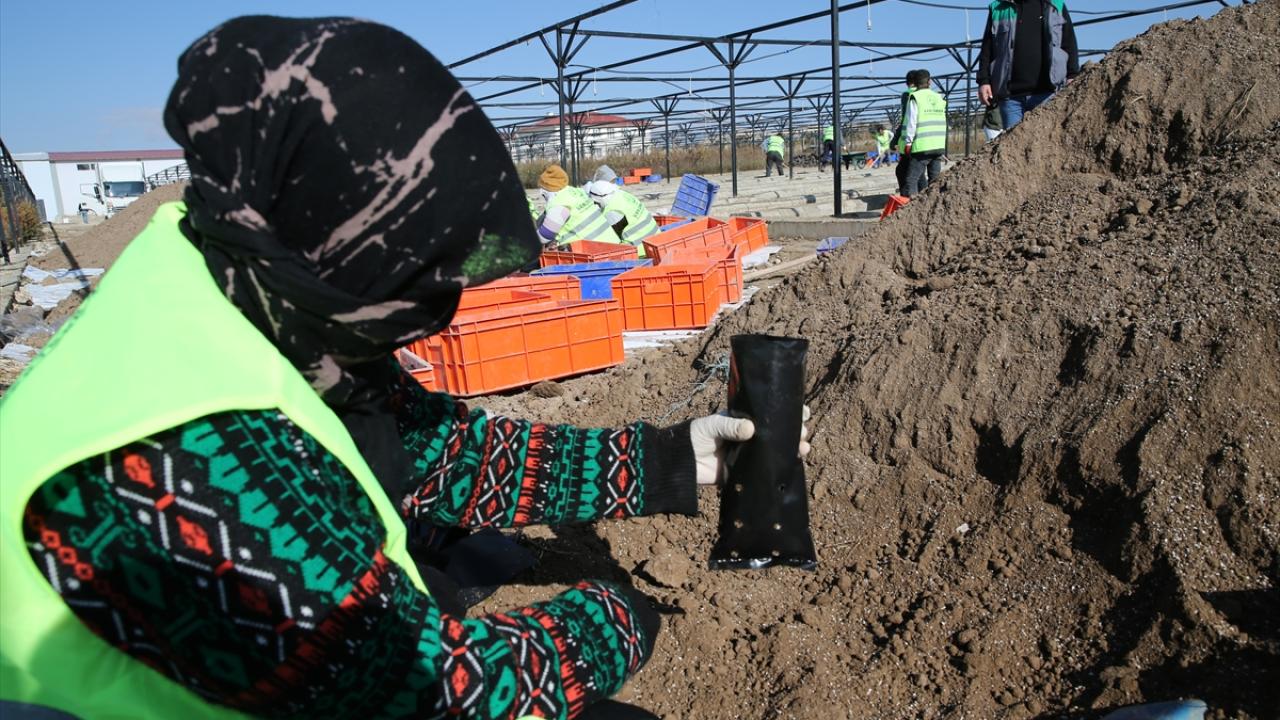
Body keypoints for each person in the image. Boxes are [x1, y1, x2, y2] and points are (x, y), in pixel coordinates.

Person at [0, 16, 811, 720]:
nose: (438, 302)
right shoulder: (186, 457)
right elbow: (442, 694)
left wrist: (671, 459)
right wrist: (615, 619)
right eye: (415, 270)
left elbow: (441, 452)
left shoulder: (256, 281)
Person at [976, 0, 1079, 130]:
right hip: (1010, 98)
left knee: (1043, 139)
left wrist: (1072, 75)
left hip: (1047, 93)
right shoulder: (999, 8)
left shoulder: (1055, 5)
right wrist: (984, 81)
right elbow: (987, 48)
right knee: (1013, 141)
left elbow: (1069, 42)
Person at [537, 163, 622, 246]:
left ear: (545, 190)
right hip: (613, 245)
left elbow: (544, 236)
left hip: (591, 251)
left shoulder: (559, 203)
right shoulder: (578, 192)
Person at [897, 69, 948, 198]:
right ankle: (934, 204)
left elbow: (911, 122)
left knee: (911, 180)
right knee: (935, 181)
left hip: (922, 147)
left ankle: (912, 208)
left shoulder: (915, 97)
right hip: (938, 145)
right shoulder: (938, 97)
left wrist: (908, 142)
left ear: (914, 83)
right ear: (930, 82)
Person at [586, 180, 659, 254]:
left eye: (596, 202)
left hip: (640, 249)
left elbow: (612, 238)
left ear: (600, 199)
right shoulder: (621, 194)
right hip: (655, 238)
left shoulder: (613, 212)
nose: (596, 204)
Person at [889, 69, 922, 195]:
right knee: (918, 173)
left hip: (911, 141)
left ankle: (907, 198)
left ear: (907, 82)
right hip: (927, 141)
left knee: (904, 172)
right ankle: (922, 196)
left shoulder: (908, 95)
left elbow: (906, 120)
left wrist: (894, 140)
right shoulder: (930, 95)